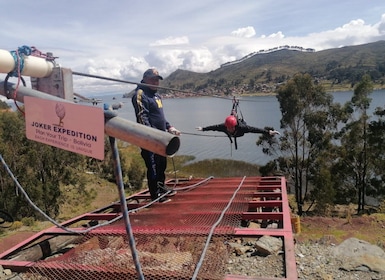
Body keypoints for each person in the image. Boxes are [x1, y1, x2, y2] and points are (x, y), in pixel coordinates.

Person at [132, 68, 180, 203]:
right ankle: (155, 195)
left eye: (157, 80)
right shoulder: (140, 94)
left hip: (161, 138)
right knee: (152, 166)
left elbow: (160, 117)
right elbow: (143, 118)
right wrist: (152, 135)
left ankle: (162, 187)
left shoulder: (157, 96)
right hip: (149, 139)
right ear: (145, 79)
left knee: (161, 165)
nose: (156, 82)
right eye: (153, 79)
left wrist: (169, 127)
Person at [196, 115, 280, 149]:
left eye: (231, 127)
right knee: (222, 129)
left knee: (244, 124)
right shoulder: (223, 126)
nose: (229, 129)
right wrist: (203, 129)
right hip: (232, 135)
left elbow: (254, 129)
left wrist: (268, 132)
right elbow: (214, 127)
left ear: (235, 126)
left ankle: (241, 120)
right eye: (228, 127)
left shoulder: (242, 128)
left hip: (240, 134)